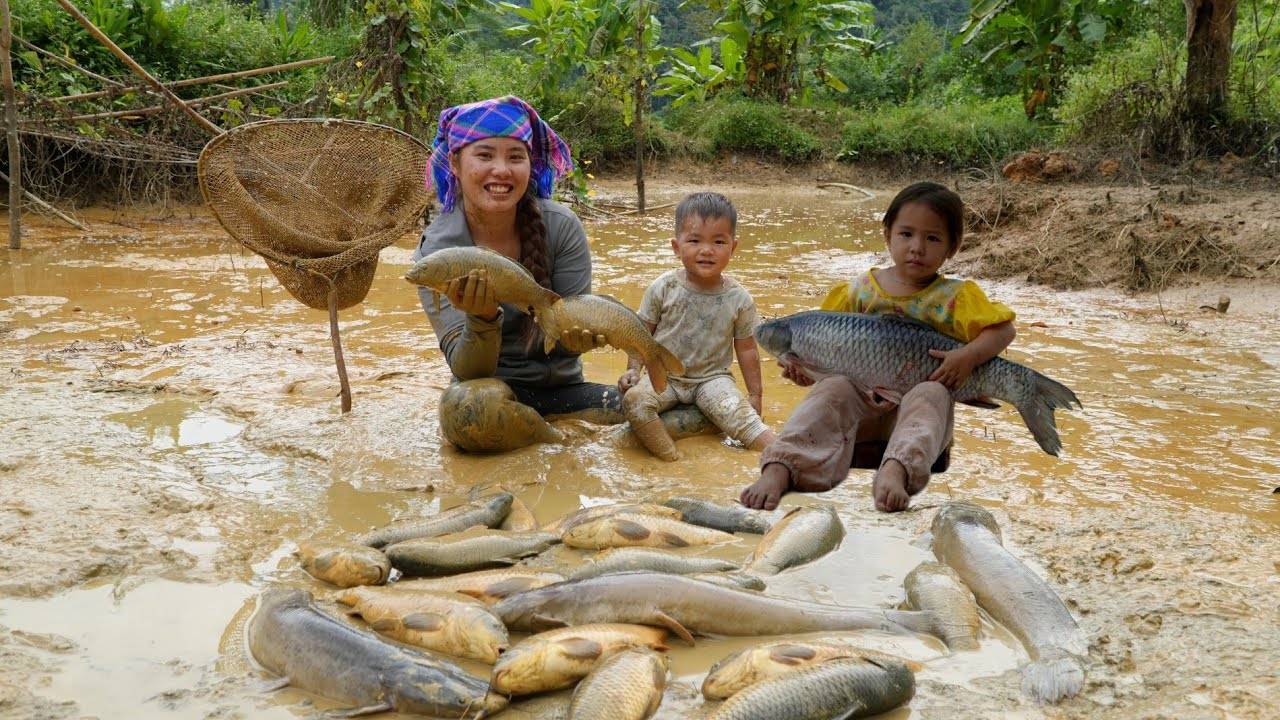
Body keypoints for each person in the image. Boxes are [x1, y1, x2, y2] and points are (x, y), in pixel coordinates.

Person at [739, 181, 1017, 512]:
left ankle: (897, 470)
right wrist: (809, 376)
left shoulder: (956, 297)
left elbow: (1003, 331)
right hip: (863, 416)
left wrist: (968, 357)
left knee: (932, 392)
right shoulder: (858, 292)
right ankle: (781, 467)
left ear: (952, 248)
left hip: (917, 418)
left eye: (932, 238)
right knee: (832, 389)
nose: (917, 247)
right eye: (906, 234)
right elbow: (832, 367)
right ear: (888, 235)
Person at [413, 95, 619, 452]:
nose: (501, 170)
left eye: (515, 157)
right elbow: (467, 372)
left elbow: (569, 339)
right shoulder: (439, 252)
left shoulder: (562, 226)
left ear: (530, 164)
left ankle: (546, 435)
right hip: (493, 394)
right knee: (464, 412)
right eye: (485, 155)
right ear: (455, 164)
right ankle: (557, 442)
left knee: (667, 406)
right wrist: (481, 319)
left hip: (565, 393)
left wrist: (584, 336)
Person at [618, 192, 775, 460]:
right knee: (634, 401)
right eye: (694, 240)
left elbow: (747, 351)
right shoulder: (663, 287)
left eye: (718, 241)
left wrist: (755, 395)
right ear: (676, 247)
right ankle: (671, 459)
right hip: (664, 376)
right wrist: (633, 370)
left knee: (747, 423)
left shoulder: (739, 299)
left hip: (712, 380)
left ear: (733, 248)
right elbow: (640, 333)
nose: (706, 250)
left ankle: (789, 456)